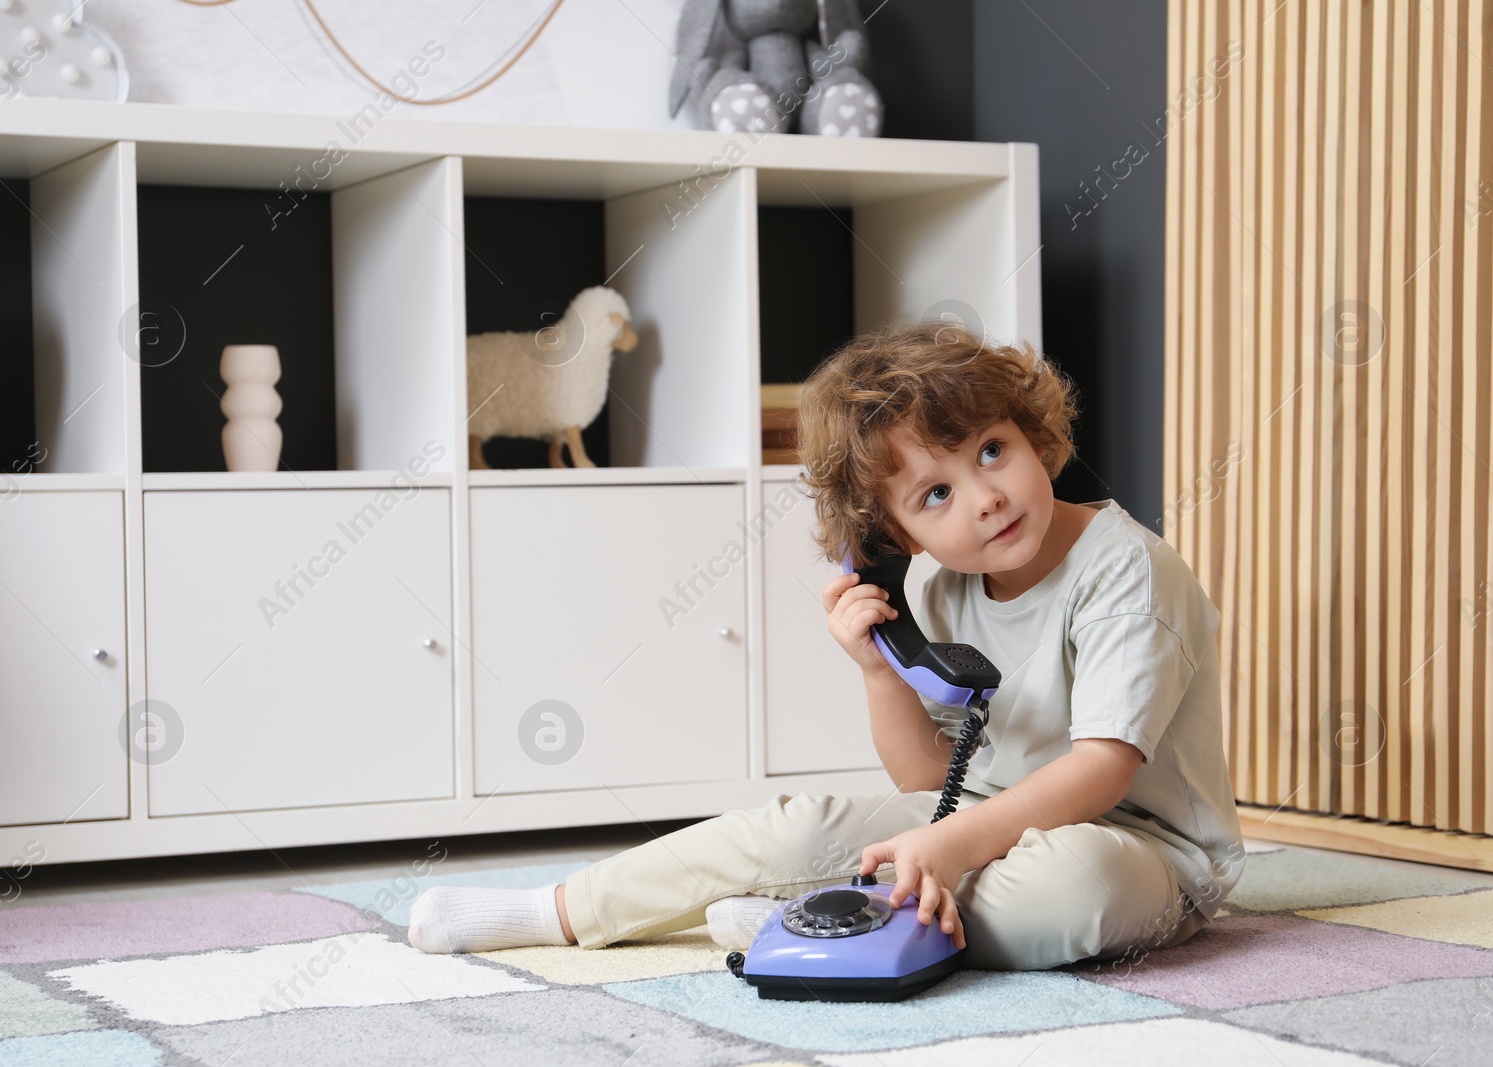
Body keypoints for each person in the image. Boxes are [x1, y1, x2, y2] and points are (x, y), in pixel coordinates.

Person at [407, 320, 1244, 970]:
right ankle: (556, 910)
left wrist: (949, 844)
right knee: (799, 826)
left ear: (1033, 434)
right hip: (981, 822)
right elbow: (928, 782)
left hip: (1142, 848)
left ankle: (821, 918)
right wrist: (879, 671)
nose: (986, 498)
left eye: (994, 449)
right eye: (937, 492)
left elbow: (1104, 765)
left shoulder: (1126, 569)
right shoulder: (950, 587)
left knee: (1070, 890)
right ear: (894, 535)